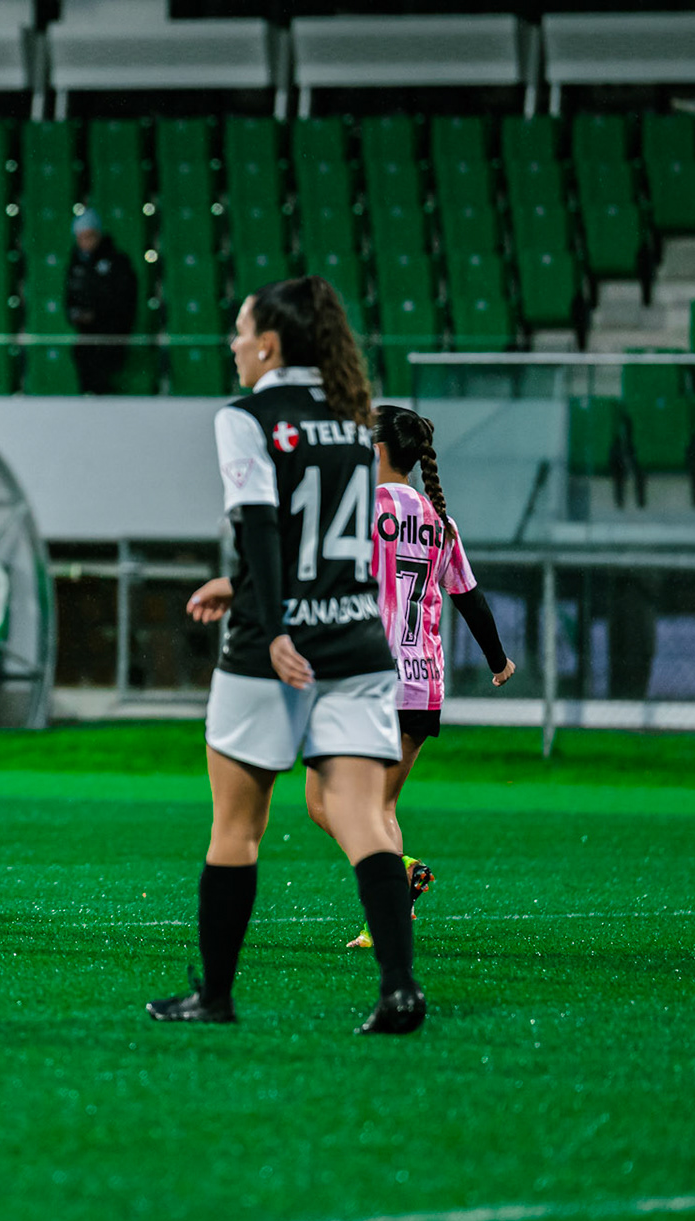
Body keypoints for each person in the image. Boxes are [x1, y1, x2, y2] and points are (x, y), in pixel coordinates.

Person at [149, 275, 426, 1036]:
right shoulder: (354, 417)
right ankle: (399, 989)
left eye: (241, 331)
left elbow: (266, 527)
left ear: (269, 343)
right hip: (357, 637)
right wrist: (242, 588)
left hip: (273, 651)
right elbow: (321, 541)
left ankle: (216, 997)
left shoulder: (245, 418)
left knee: (236, 829)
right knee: (363, 817)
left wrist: (267, 622)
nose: (234, 344)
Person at [313, 406, 513, 946]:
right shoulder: (437, 518)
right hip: (422, 680)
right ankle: (388, 917)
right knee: (380, 806)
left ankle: (394, 876)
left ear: (376, 451)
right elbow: (468, 597)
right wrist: (498, 661)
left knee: (322, 801)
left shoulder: (358, 510)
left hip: (366, 678)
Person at [64, 209, 139, 396]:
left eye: (89, 236)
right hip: (87, 336)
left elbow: (124, 300)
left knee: (105, 371)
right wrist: (75, 314)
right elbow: (69, 297)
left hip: (112, 334)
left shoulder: (117, 262)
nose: (85, 242)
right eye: (81, 237)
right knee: (84, 360)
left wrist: (97, 315)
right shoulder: (76, 264)